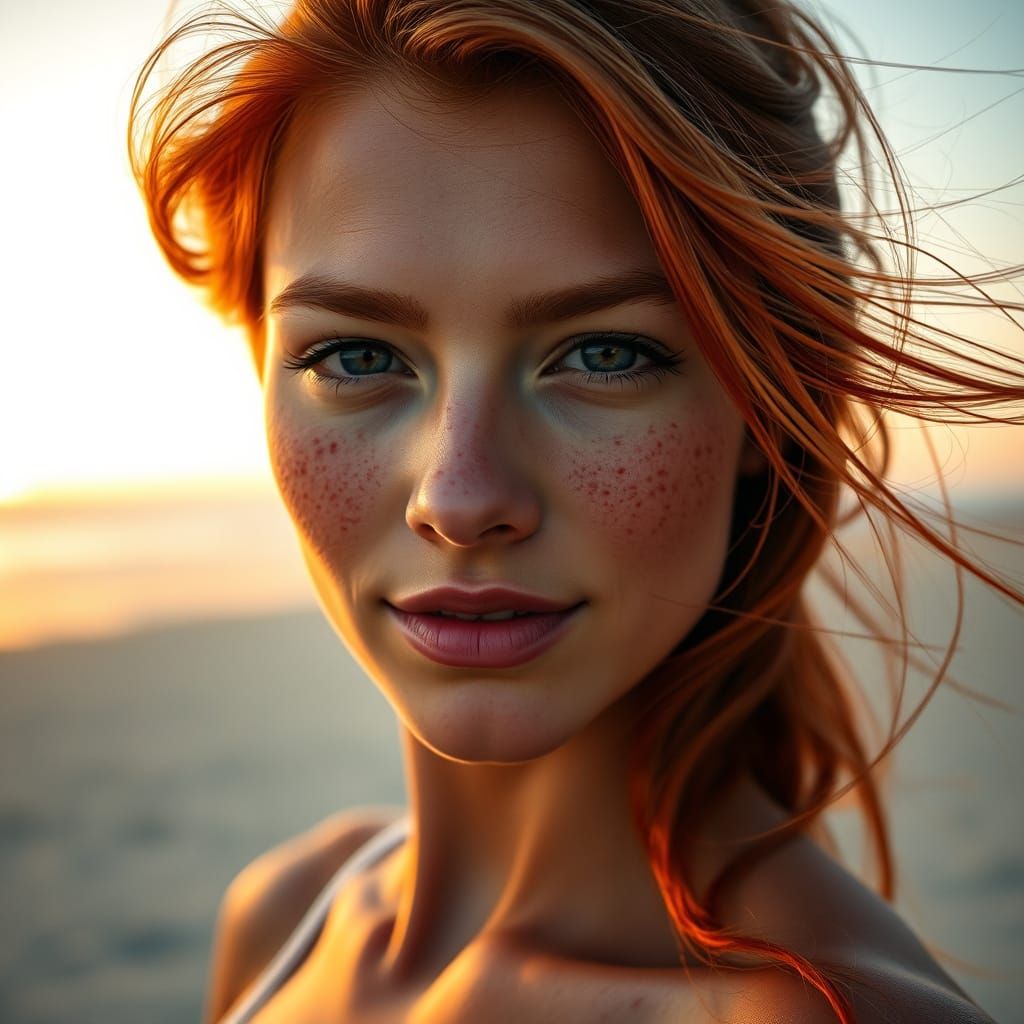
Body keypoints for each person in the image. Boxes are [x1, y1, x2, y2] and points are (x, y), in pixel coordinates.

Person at [128, 1, 1022, 1020]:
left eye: (605, 354)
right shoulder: (287, 912)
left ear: (767, 410)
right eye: (357, 356)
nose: (459, 499)